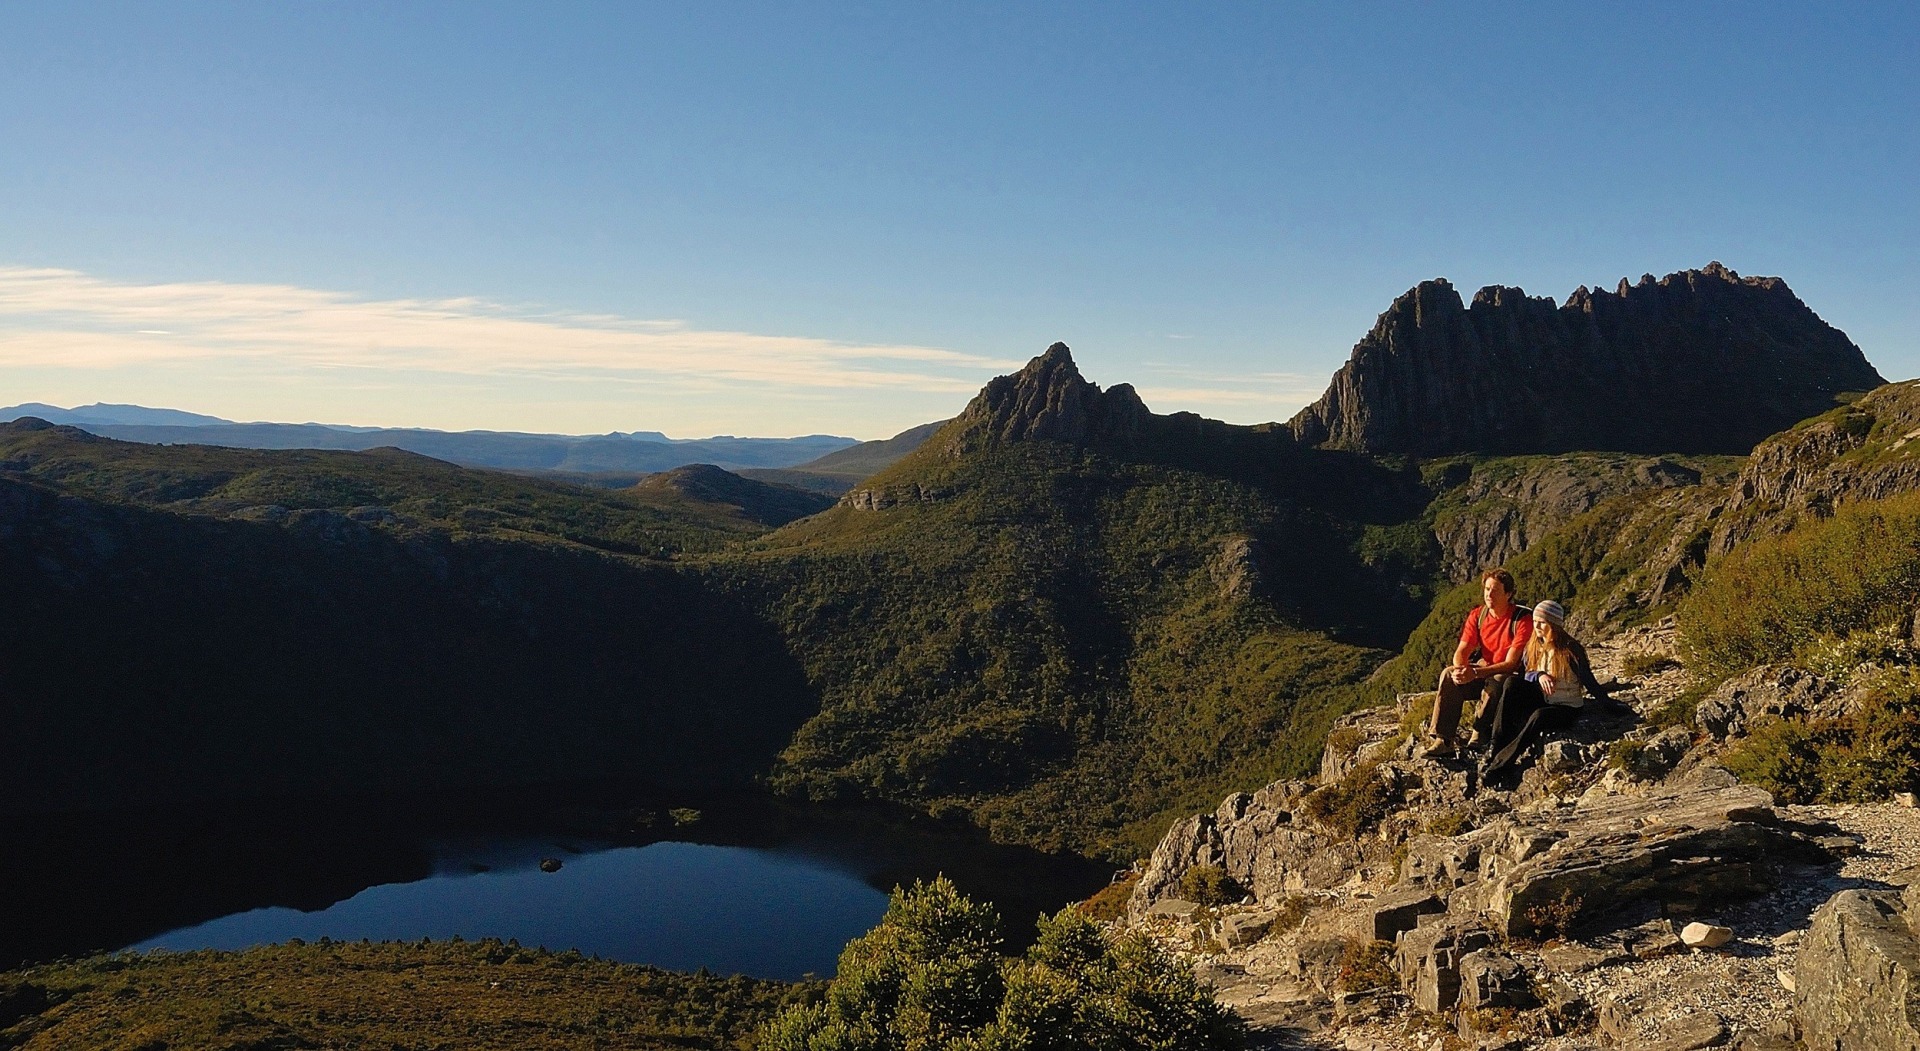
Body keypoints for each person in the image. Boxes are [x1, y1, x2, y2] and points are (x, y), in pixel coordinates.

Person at [1480, 599, 1615, 786]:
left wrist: (1609, 705)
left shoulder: (1570, 650)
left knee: (1539, 716)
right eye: (1535, 621)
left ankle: (1500, 765)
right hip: (1543, 697)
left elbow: (1589, 682)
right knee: (1511, 683)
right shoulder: (1534, 645)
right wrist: (1540, 675)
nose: (1537, 626)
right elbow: (1526, 674)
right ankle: (1495, 746)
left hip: (1566, 707)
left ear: (1554, 624)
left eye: (1542, 622)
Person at [1424, 567, 1532, 758]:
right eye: (1487, 589)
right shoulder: (1478, 615)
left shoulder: (1521, 620)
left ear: (1508, 594)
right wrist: (1460, 669)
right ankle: (1443, 739)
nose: (1489, 594)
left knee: (1497, 679)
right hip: (1483, 668)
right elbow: (1462, 650)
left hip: (1510, 676)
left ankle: (1480, 732)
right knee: (1448, 675)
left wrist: (1475, 673)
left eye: (1495, 590)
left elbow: (1511, 663)